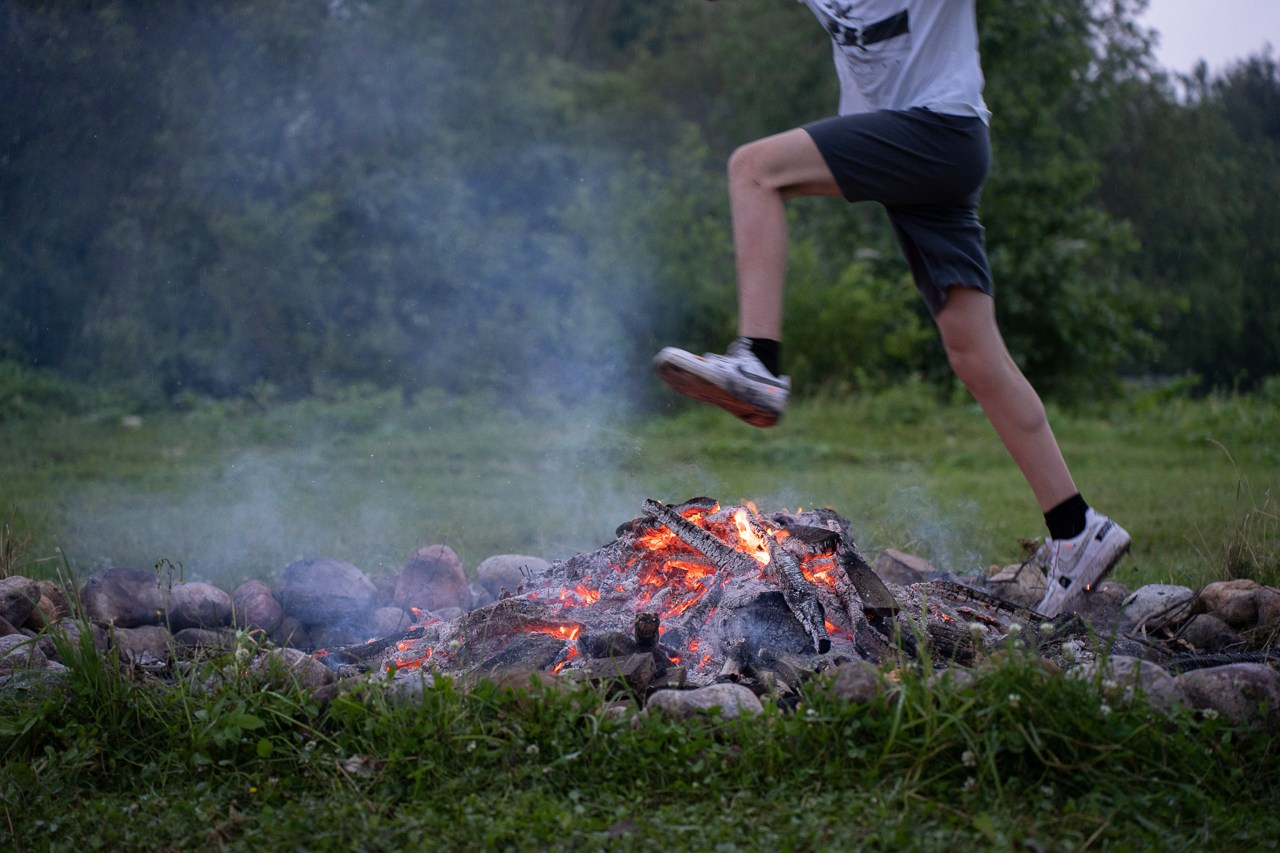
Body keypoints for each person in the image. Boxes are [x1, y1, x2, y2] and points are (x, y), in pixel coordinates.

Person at [652, 0, 1131, 617]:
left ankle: (759, 364)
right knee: (975, 355)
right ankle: (1076, 527)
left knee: (754, 170)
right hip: (929, 153)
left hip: (938, 130)